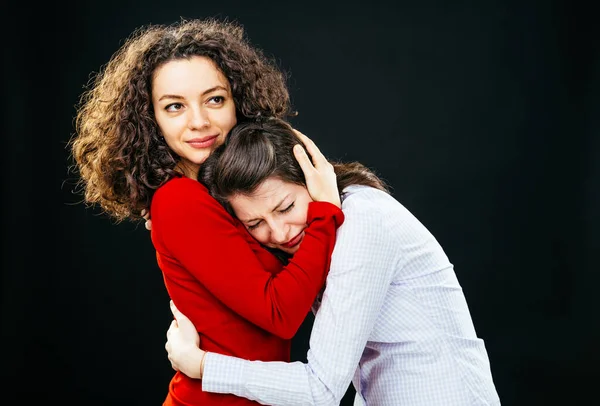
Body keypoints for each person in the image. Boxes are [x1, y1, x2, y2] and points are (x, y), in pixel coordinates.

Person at [68, 18, 345, 406]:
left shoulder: (223, 195)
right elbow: (280, 312)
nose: (199, 122)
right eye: (174, 107)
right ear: (151, 120)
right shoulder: (179, 201)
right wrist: (327, 212)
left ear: (239, 101)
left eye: (215, 99)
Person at [164, 118, 501, 405]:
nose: (279, 232)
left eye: (285, 208)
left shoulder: (362, 222)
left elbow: (322, 389)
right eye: (255, 224)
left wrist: (204, 366)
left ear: (314, 178)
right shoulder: (311, 241)